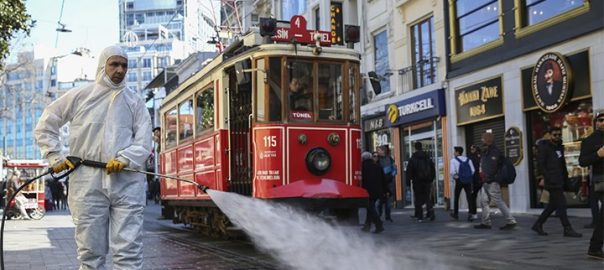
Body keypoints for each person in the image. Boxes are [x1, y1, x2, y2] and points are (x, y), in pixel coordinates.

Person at [35, 46, 152, 269]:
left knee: (129, 251)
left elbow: (145, 140)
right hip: (87, 182)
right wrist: (54, 155)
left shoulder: (134, 101)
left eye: (124, 65)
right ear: (102, 65)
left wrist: (126, 158)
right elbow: (47, 123)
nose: (119, 70)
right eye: (114, 64)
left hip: (126, 182)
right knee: (90, 253)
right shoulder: (81, 96)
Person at [531, 127, 582, 237]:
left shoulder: (560, 147)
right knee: (562, 204)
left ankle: (538, 224)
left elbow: (562, 165)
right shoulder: (544, 147)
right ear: (550, 135)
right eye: (555, 135)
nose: (557, 137)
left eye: (559, 135)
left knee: (553, 205)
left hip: (560, 179)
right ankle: (567, 228)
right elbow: (541, 164)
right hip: (552, 181)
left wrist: (567, 180)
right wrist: (548, 177)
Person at [474, 132, 517, 230]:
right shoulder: (486, 151)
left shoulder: (495, 152)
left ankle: (511, 220)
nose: (481, 140)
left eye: (483, 139)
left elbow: (492, 167)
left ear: (487, 140)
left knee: (498, 200)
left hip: (492, 181)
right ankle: (486, 222)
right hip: (485, 181)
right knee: (483, 201)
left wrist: (489, 178)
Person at [579, 110, 604, 259]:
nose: (603, 122)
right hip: (601, 181)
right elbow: (582, 161)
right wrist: (597, 155)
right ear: (596, 122)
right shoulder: (589, 140)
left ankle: (594, 247)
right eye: (600, 120)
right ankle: (595, 247)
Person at [406, 142, 435, 222]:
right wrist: (431, 179)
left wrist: (408, 182)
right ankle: (430, 211)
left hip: (417, 181)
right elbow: (432, 168)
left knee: (418, 198)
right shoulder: (427, 157)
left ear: (415, 148)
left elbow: (409, 171)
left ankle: (420, 216)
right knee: (427, 197)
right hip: (427, 181)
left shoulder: (413, 158)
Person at [361, 151, 385, 233]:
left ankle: (379, 225)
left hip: (367, 191)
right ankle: (367, 226)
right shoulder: (377, 166)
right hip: (377, 191)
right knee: (370, 208)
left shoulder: (362, 167)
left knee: (371, 208)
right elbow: (383, 179)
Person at [449, 146, 475, 221]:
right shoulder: (468, 160)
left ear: (457, 152)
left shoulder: (453, 160)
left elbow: (452, 172)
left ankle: (456, 214)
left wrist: (456, 177)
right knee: (469, 197)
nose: (454, 153)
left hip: (459, 180)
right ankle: (470, 214)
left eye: (454, 151)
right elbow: (473, 170)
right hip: (468, 180)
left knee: (456, 197)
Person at [376, 145, 396, 222]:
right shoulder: (377, 159)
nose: (378, 152)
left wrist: (391, 176)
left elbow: (394, 169)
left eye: (379, 150)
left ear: (383, 151)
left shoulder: (390, 159)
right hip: (380, 183)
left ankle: (388, 216)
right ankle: (378, 215)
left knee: (388, 201)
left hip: (388, 182)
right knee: (379, 201)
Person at [467, 144, 481, 221]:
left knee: (472, 197)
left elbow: (470, 170)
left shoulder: (470, 158)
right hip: (483, 179)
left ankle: (473, 213)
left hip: (474, 180)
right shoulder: (481, 157)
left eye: (472, 149)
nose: (471, 150)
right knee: (485, 198)